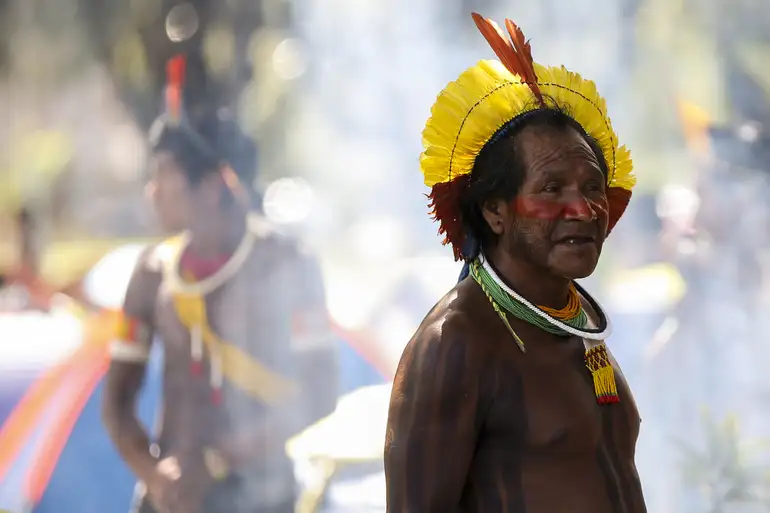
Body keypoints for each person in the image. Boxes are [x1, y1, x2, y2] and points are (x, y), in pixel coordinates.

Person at [384, 13, 646, 513]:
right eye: (551, 189)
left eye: (593, 187)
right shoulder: (456, 343)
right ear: (495, 211)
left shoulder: (577, 323)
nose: (583, 209)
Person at [102, 54, 338, 513]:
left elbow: (319, 393)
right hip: (170, 497)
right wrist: (157, 477)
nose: (152, 192)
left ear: (211, 186)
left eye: (163, 176)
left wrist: (215, 461)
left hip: (262, 499)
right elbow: (116, 402)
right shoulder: (153, 271)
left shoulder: (286, 262)